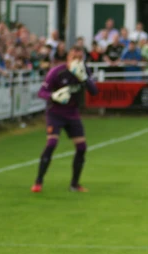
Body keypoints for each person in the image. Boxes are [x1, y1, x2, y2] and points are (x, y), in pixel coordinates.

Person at [32, 47, 98, 194]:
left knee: (81, 148)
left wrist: (85, 79)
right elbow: (41, 92)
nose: (77, 60)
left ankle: (74, 184)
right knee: (52, 143)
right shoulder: (57, 71)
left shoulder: (84, 70)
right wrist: (53, 96)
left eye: (80, 58)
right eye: (74, 57)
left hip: (72, 113)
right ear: (68, 57)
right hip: (55, 113)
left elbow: (94, 92)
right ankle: (38, 181)